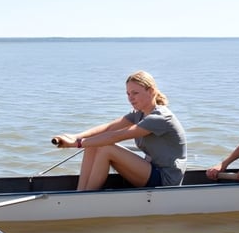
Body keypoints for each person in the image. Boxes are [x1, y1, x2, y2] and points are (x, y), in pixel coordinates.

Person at [52, 70, 187, 190]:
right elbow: (108, 128)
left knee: (105, 148)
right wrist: (76, 137)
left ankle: (86, 198)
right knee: (92, 145)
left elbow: (118, 135)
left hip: (166, 181)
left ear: (151, 91)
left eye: (135, 93)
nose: (130, 98)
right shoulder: (138, 114)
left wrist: (76, 144)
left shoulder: (160, 117)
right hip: (150, 171)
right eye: (128, 93)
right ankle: (80, 193)